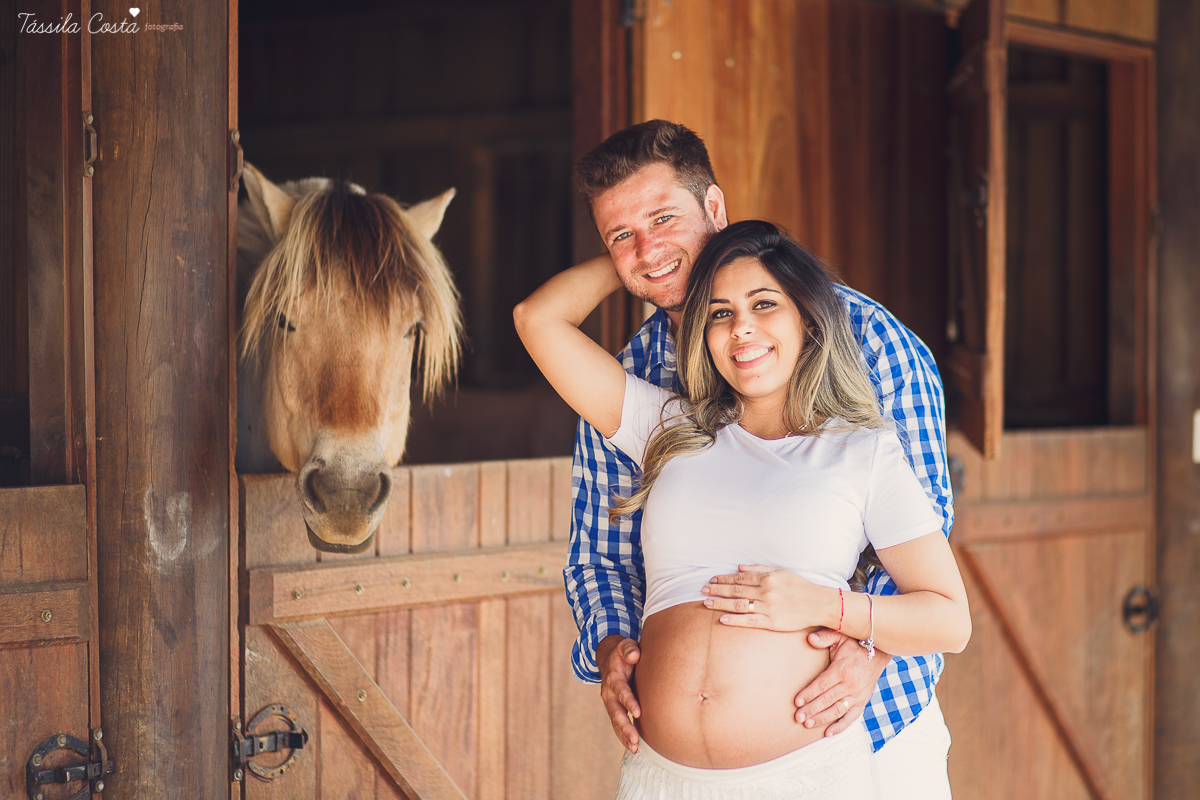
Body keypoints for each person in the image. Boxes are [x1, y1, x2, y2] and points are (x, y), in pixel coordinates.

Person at [563, 120, 957, 798]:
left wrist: (872, 652)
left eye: (664, 217)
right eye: (619, 234)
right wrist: (611, 647)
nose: (650, 249)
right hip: (671, 769)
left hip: (862, 724)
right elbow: (599, 554)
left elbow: (925, 550)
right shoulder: (637, 379)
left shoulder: (874, 345)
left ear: (716, 210)